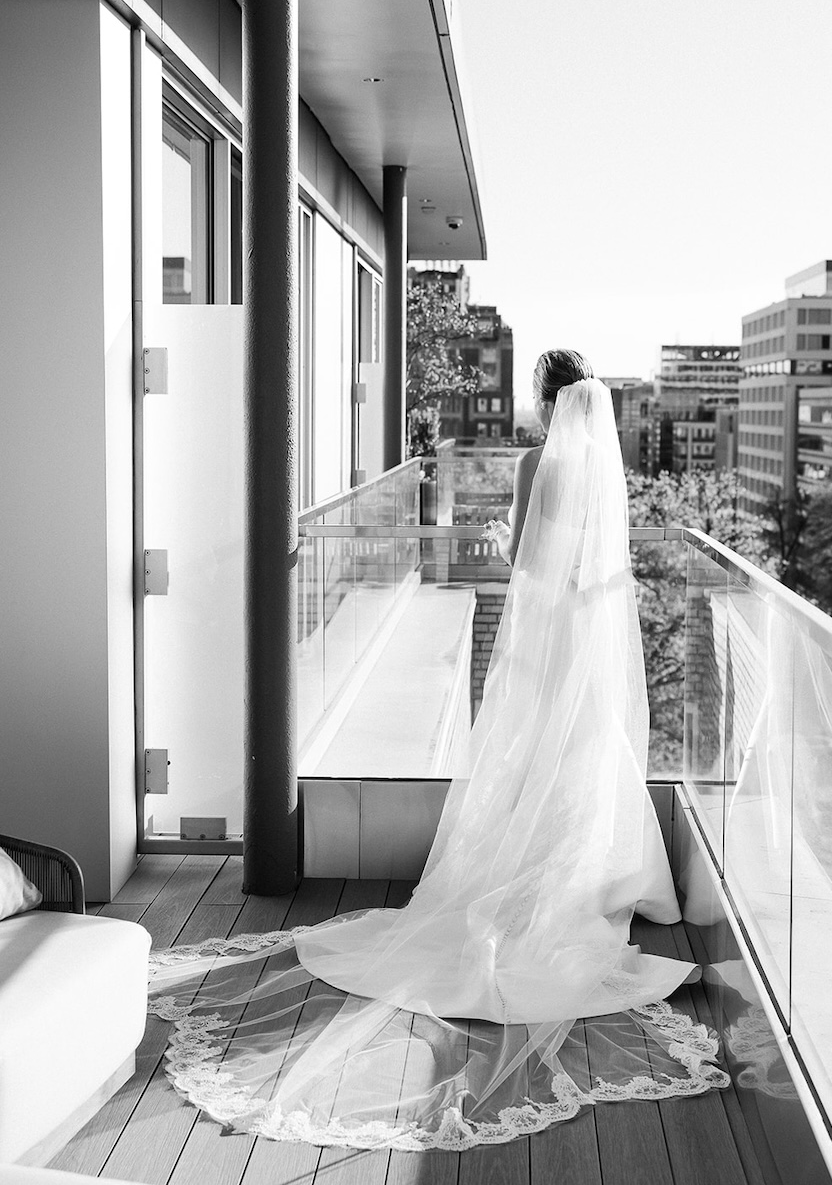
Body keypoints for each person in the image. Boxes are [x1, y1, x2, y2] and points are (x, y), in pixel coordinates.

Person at [147, 350, 728, 1151]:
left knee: (521, 751)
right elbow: (602, 565)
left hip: (546, 625)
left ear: (545, 398)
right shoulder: (605, 466)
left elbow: (525, 558)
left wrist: (496, 536)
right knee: (585, 752)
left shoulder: (539, 462)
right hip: (590, 632)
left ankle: (522, 868)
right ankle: (594, 873)